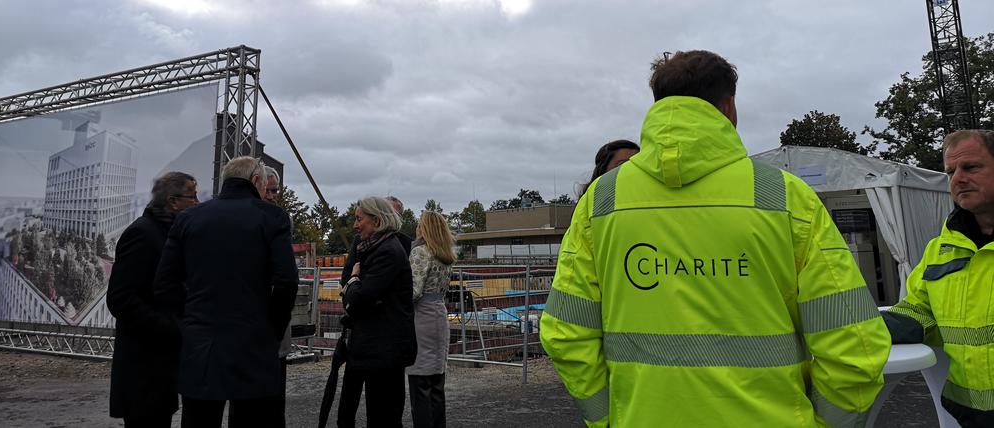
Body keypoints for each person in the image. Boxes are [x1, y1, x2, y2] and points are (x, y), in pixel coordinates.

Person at [539, 50, 891, 427]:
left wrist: (606, 419)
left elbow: (565, 334)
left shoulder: (600, 202)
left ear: (660, 104)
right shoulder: (786, 197)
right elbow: (856, 346)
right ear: (728, 107)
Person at [154, 156, 298, 428]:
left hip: (202, 345)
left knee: (199, 420)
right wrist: (272, 330)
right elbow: (287, 282)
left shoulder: (188, 218)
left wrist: (189, 322)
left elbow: (165, 284)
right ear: (256, 181)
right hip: (254, 345)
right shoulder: (272, 217)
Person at [883, 129, 994, 427]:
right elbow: (919, 311)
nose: (958, 178)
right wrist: (863, 327)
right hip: (969, 416)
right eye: (950, 171)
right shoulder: (941, 250)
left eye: (971, 167)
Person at [106, 171, 197, 428]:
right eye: (193, 196)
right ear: (173, 201)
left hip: (159, 365)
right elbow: (120, 299)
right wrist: (171, 327)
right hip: (142, 367)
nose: (197, 202)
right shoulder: (143, 234)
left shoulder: (165, 233)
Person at [338, 196, 416, 427]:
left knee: (384, 415)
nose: (355, 225)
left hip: (385, 349)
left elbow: (360, 297)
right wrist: (353, 287)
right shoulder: (376, 247)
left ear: (377, 220)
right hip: (375, 347)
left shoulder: (387, 251)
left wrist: (353, 280)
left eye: (359, 219)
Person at [406, 211, 455, 428]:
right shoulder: (445, 255)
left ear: (424, 229)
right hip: (439, 314)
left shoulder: (420, 252)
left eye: (419, 225)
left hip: (421, 317)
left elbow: (413, 291)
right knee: (437, 382)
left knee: (420, 383)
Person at [262, 165, 291, 428]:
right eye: (268, 190)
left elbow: (286, 280)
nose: (272, 195)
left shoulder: (279, 218)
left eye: (276, 191)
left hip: (273, 326)